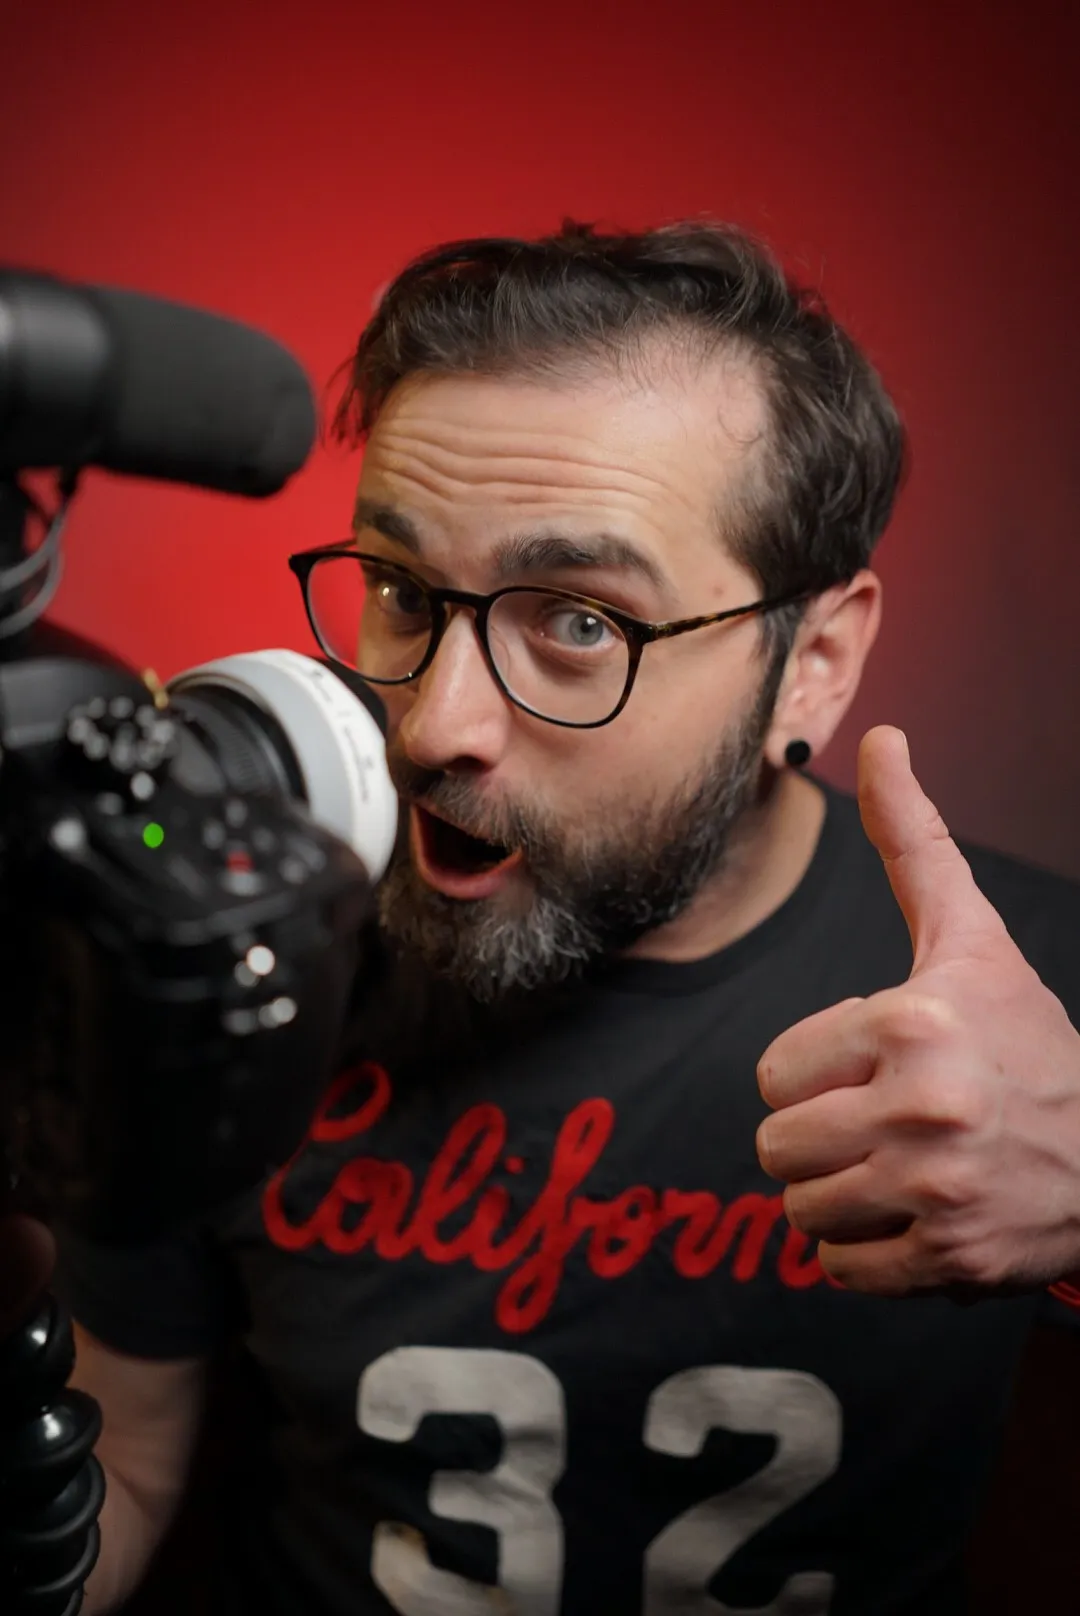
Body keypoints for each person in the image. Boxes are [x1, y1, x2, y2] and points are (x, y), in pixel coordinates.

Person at [50, 221, 1080, 1616]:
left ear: (815, 664)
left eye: (581, 621)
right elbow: (118, 1474)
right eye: (402, 590)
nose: (434, 726)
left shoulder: (1039, 1008)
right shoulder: (221, 962)